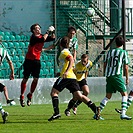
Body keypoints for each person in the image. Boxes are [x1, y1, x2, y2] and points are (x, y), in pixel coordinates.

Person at [48, 36, 100, 121]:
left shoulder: (64, 52)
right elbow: (69, 63)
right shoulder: (67, 51)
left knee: (54, 93)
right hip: (72, 77)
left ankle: (56, 113)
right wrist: (64, 71)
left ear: (60, 44)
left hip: (66, 77)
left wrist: (66, 71)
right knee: (79, 96)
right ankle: (95, 109)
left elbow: (71, 59)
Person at [95, 36, 132, 120]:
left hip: (109, 75)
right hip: (117, 75)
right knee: (124, 94)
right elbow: (125, 66)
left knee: (108, 95)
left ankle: (97, 112)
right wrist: (127, 78)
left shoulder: (110, 52)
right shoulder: (123, 52)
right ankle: (123, 113)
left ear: (115, 43)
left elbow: (105, 64)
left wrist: (106, 74)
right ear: (123, 43)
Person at [20, 23, 56, 107]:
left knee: (35, 79)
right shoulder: (33, 37)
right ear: (33, 30)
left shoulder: (42, 36)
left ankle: (30, 94)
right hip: (29, 60)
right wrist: (48, 31)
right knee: (25, 78)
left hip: (36, 60)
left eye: (39, 28)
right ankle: (22, 95)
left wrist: (52, 32)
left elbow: (52, 38)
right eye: (36, 28)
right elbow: (43, 39)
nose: (38, 29)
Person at [0, 38, 15, 123]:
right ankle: (3, 112)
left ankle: (3, 112)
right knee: (4, 88)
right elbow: (10, 62)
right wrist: (12, 73)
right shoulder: (4, 51)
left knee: (4, 87)